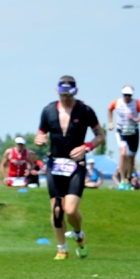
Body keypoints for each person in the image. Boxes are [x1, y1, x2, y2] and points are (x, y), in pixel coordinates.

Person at [34, 76, 105, 261]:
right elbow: (41, 133)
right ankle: (61, 248)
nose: (66, 98)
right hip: (55, 165)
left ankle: (79, 234)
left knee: (71, 210)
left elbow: (100, 135)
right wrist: (39, 139)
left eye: (69, 95)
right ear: (57, 91)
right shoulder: (48, 111)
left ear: (76, 92)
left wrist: (86, 147)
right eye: (63, 94)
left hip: (76, 166)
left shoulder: (85, 110)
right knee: (58, 210)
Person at [107, 85, 140, 190]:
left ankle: (128, 180)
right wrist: (111, 123)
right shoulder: (116, 102)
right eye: (125, 95)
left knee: (131, 158)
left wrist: (135, 119)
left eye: (129, 95)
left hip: (133, 132)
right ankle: (122, 181)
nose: (127, 97)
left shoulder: (137, 103)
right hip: (121, 131)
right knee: (123, 153)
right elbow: (109, 109)